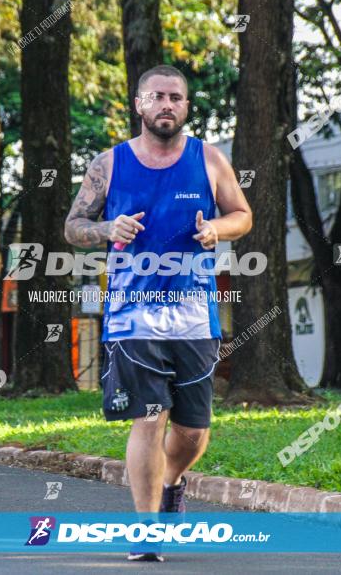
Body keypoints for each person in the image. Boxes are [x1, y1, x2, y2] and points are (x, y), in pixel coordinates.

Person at [64, 65, 253, 562]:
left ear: (186, 107)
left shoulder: (208, 159)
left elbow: (243, 214)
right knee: (149, 418)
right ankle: (146, 529)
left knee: (192, 431)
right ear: (139, 104)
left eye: (176, 97)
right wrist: (108, 230)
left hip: (194, 314)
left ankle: (171, 482)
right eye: (157, 96)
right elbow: (72, 227)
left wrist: (216, 228)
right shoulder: (109, 164)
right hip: (133, 315)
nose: (167, 104)